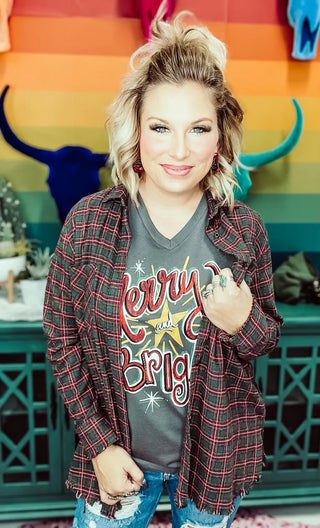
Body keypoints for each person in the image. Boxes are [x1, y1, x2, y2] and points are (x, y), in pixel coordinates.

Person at [43, 5, 283, 528]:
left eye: (198, 129)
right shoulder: (89, 222)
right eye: (160, 127)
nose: (178, 150)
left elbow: (265, 341)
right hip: (117, 463)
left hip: (212, 460)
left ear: (220, 138)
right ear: (135, 129)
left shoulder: (244, 231)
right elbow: (62, 342)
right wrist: (101, 446)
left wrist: (243, 321)